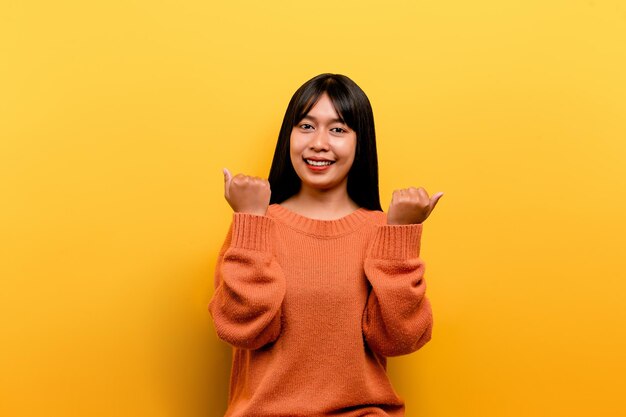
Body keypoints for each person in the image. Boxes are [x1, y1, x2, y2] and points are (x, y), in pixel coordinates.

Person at [209, 73, 443, 416]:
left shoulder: (383, 230)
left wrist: (401, 235)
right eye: (306, 126)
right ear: (288, 135)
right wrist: (250, 221)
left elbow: (399, 339)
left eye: (338, 129)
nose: (319, 143)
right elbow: (241, 328)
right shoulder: (257, 224)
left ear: (360, 142)